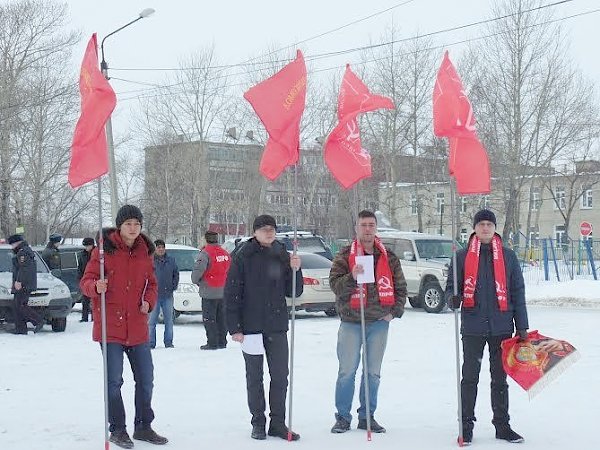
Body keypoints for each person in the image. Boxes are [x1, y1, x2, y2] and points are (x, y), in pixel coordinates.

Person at [80, 205, 168, 448]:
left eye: (137, 224)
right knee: (114, 381)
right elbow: (85, 281)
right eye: (128, 223)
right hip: (111, 328)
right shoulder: (102, 251)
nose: (133, 228)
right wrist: (94, 287)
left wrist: (149, 303)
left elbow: (152, 284)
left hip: (138, 328)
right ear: (120, 226)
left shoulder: (145, 251)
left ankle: (143, 426)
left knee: (146, 378)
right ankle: (118, 429)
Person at [445, 209, 529, 445]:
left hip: (502, 326)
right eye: (480, 224)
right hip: (472, 326)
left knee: (500, 379)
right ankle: (466, 427)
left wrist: (521, 325)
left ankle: (502, 426)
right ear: (475, 228)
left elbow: (517, 292)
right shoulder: (460, 257)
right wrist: (453, 297)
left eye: (489, 224)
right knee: (469, 378)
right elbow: (451, 287)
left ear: (494, 228)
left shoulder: (508, 256)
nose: (485, 228)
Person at [224, 214, 303, 441]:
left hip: (276, 326)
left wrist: (297, 270)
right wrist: (235, 327)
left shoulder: (282, 254)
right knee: (254, 377)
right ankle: (258, 421)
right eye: (264, 229)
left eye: (272, 229)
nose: (269, 232)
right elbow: (232, 293)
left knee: (280, 376)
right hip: (251, 327)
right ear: (255, 232)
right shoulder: (243, 256)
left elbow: (294, 291)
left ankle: (277, 422)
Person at [329, 210, 407, 434]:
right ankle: (343, 417)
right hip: (351, 322)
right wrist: (351, 277)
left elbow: (400, 288)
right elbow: (335, 286)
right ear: (357, 228)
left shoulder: (388, 256)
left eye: (371, 224)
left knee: (373, 372)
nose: (368, 229)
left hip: (379, 322)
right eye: (363, 225)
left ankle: (367, 416)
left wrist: (394, 312)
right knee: (347, 371)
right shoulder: (345, 255)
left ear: (376, 227)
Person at [191, 230, 231, 350]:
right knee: (221, 318)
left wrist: (196, 280)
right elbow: (229, 268)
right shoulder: (224, 253)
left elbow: (198, 271)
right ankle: (222, 341)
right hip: (223, 290)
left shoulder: (205, 253)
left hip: (209, 290)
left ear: (206, 239)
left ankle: (212, 342)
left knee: (209, 318)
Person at [7, 234, 44, 335]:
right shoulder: (23, 251)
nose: (12, 246)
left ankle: (38, 320)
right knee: (17, 307)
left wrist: (19, 281)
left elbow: (24, 268)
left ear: (17, 243)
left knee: (21, 306)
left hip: (23, 284)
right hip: (23, 283)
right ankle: (21, 330)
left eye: (12, 244)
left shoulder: (23, 252)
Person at [148, 239, 179, 349]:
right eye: (158, 247)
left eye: (162, 247)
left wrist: (173, 286)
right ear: (154, 249)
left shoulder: (171, 260)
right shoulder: (150, 261)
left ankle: (168, 342)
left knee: (169, 321)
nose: (161, 249)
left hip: (168, 295)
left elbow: (176, 274)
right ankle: (151, 343)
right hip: (154, 296)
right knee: (151, 322)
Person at [77, 237, 95, 322]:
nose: (86, 248)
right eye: (85, 246)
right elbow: (80, 268)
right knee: (85, 300)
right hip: (85, 279)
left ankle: (94, 317)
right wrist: (80, 279)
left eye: (88, 245)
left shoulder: (96, 253)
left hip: (95, 279)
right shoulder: (82, 255)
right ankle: (84, 317)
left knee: (94, 300)